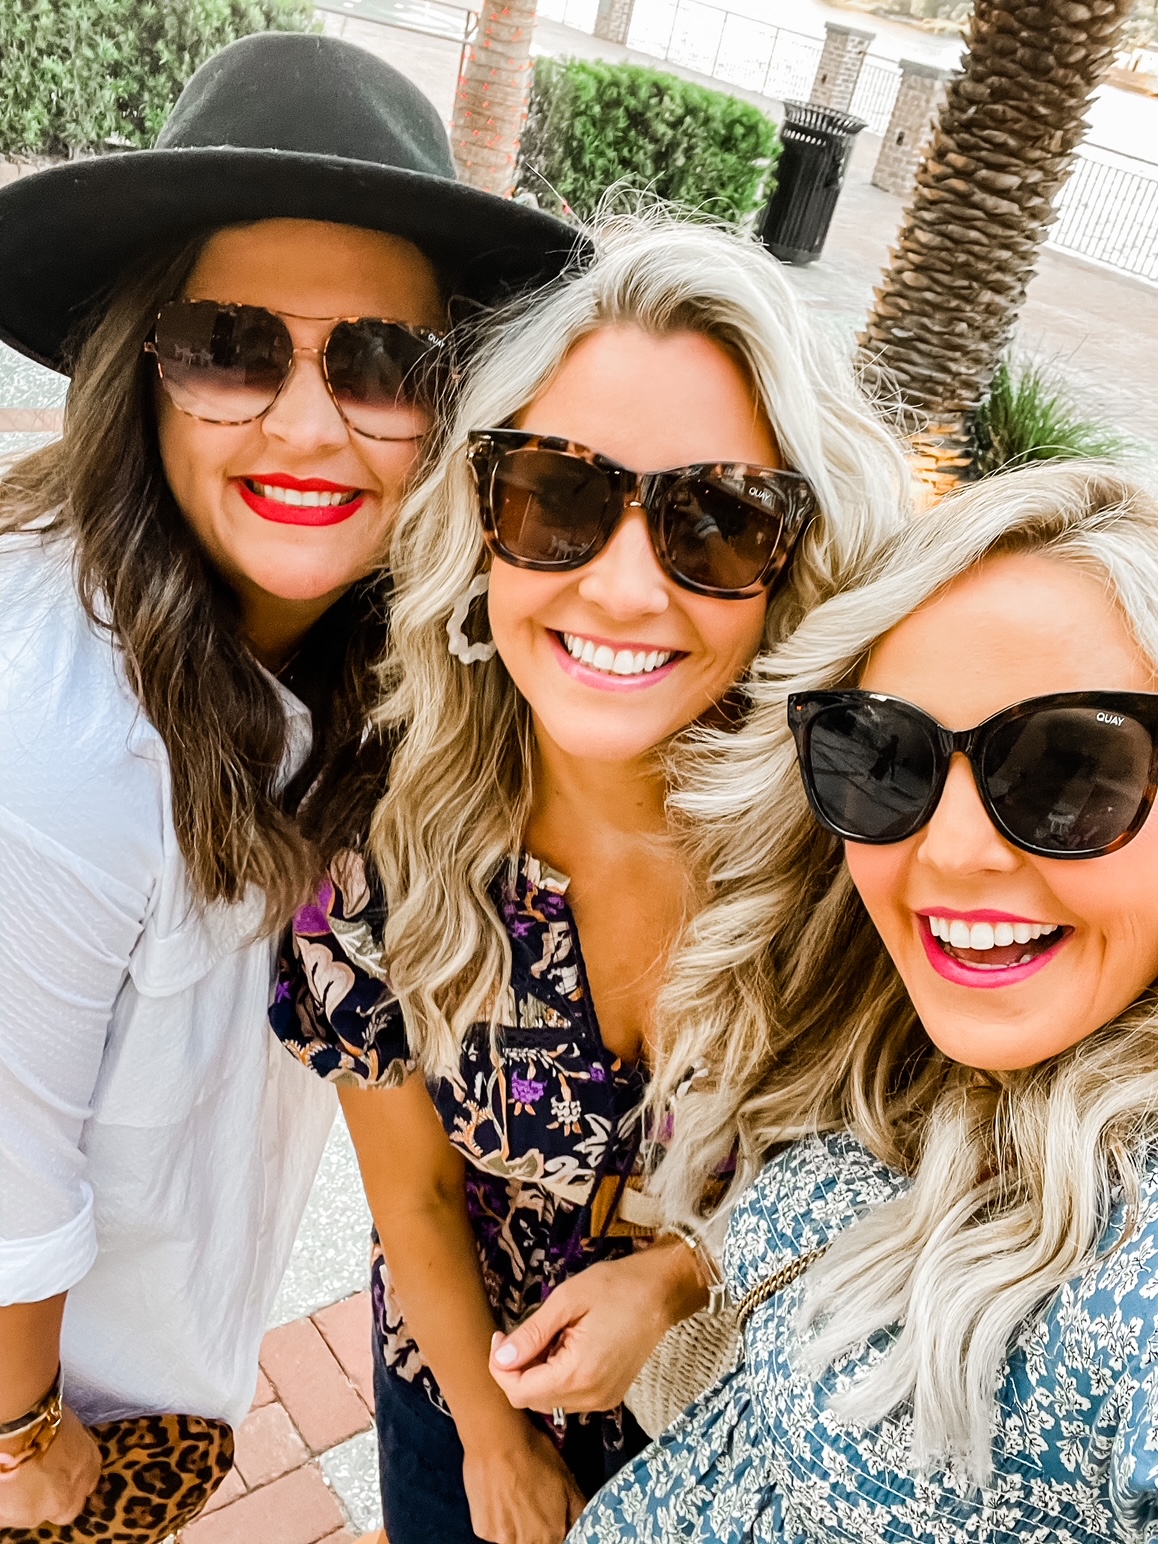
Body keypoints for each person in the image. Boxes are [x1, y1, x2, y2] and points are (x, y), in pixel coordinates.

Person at [0, 29, 576, 1533]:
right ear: (143, 367)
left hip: (156, 1368)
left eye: (384, 363)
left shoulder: (367, 665)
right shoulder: (52, 731)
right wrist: (23, 1448)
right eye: (231, 347)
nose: (310, 424)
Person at [271, 211, 912, 1544]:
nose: (623, 590)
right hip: (459, 1398)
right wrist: (492, 1448)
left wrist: (682, 1277)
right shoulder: (376, 841)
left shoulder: (853, 849)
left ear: (790, 567)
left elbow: (903, 1155)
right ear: (482, 523)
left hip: (739, 1426)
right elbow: (413, 1196)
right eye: (558, 495)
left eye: (719, 520)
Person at [573, 462, 1158, 1543]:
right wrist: (684, 1276)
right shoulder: (899, 1027)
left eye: (1074, 768)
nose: (952, 852)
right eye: (889, 758)